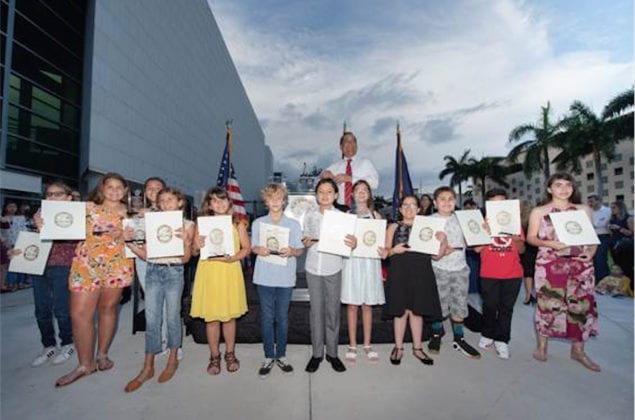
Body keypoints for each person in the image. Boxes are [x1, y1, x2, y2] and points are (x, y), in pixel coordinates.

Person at [55, 173, 135, 387]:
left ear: (125, 190)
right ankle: (84, 365)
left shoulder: (132, 213)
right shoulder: (86, 208)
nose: (115, 190)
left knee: (108, 309)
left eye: (120, 187)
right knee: (79, 314)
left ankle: (102, 354)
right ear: (102, 189)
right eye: (110, 186)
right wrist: (42, 220)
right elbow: (60, 220)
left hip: (117, 265)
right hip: (87, 264)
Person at [527, 172, 600, 372]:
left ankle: (578, 350)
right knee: (547, 304)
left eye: (568, 184)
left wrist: (591, 253)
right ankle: (542, 347)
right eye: (558, 185)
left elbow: (591, 236)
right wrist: (548, 243)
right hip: (549, 264)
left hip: (580, 265)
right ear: (550, 189)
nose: (564, 189)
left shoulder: (583, 209)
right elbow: (531, 238)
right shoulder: (539, 211)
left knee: (581, 307)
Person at [124, 187, 194, 392]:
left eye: (170, 200)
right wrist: (129, 242)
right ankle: (148, 366)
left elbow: (186, 258)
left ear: (180, 202)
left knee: (172, 316)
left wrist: (186, 241)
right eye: (162, 201)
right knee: (152, 319)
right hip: (153, 270)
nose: (165, 204)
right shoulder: (151, 224)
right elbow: (146, 254)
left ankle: (173, 358)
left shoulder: (188, 225)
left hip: (174, 272)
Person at [9, 181, 76, 366]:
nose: (53, 197)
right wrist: (17, 252)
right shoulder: (39, 213)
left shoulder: (74, 216)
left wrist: (44, 227)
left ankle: (67, 342)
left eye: (58, 194)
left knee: (62, 309)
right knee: (41, 309)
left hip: (61, 265)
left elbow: (72, 238)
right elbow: (29, 239)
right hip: (37, 264)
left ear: (69, 197)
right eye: (50, 194)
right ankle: (48, 345)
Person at [190, 187, 251, 375]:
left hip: (229, 271)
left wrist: (233, 258)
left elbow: (247, 248)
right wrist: (196, 244)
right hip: (208, 273)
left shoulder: (238, 223)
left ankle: (230, 353)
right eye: (214, 200)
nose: (219, 203)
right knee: (212, 318)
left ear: (229, 203)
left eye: (223, 200)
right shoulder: (201, 224)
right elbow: (193, 252)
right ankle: (214, 356)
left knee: (229, 317)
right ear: (208, 204)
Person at [381, 194, 443, 366]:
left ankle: (417, 348)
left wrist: (442, 241)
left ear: (418, 209)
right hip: (399, 272)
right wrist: (394, 250)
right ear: (400, 209)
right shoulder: (393, 227)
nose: (409, 208)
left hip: (421, 272)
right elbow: (385, 253)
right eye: (405, 205)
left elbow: (437, 256)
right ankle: (398, 347)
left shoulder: (428, 228)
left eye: (412, 205)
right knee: (400, 312)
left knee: (417, 311)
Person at [303, 178, 356, 373]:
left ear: (335, 195)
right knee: (316, 311)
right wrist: (306, 241)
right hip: (312, 268)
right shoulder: (309, 215)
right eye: (321, 192)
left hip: (333, 268)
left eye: (328, 192)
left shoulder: (342, 217)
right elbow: (305, 238)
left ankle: (332, 353)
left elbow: (349, 242)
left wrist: (353, 242)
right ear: (316, 195)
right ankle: (317, 354)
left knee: (333, 311)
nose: (324, 195)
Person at [251, 183, 304, 378]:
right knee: (266, 318)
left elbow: (299, 250)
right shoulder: (258, 223)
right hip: (264, 277)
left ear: (284, 200)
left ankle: (281, 355)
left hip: (285, 278)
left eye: (278, 197)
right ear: (266, 201)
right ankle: (268, 356)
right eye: (271, 198)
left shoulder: (293, 225)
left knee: (281, 318)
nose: (275, 201)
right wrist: (258, 249)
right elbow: (253, 247)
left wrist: (292, 251)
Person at [427, 186, 481, 359]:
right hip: (438, 269)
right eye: (442, 199)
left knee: (459, 304)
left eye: (450, 198)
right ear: (435, 202)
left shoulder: (462, 219)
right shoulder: (429, 221)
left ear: (455, 201)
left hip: (460, 269)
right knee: (437, 304)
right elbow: (427, 248)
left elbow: (472, 242)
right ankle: (437, 334)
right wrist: (442, 248)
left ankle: (459, 338)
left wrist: (482, 230)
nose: (446, 202)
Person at [474, 188, 525, 359]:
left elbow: (522, 249)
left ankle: (502, 340)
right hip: (489, 273)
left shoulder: (514, 223)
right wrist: (486, 233)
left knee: (506, 309)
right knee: (489, 306)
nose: (498, 206)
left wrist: (516, 238)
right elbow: (476, 249)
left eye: (502, 203)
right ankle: (487, 334)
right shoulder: (481, 223)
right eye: (494, 203)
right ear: (488, 206)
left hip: (513, 273)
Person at [341, 180, 385, 364]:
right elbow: (339, 241)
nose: (360, 193)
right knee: (352, 306)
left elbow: (381, 243)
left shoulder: (376, 216)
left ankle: (367, 344)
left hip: (370, 264)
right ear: (351, 194)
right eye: (357, 190)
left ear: (369, 194)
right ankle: (352, 345)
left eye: (364, 190)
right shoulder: (346, 215)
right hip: (351, 263)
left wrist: (384, 250)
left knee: (367, 305)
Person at [320, 131, 379, 208]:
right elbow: (318, 180)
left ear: (356, 146)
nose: (350, 144)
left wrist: (350, 179)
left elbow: (375, 183)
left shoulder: (365, 163)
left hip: (361, 208)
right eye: (346, 141)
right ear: (341, 147)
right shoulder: (335, 166)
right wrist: (323, 175)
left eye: (352, 141)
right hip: (340, 209)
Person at [1, 202, 28, 291]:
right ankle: (10, 283)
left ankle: (21, 282)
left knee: (20, 263)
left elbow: (24, 229)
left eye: (14, 206)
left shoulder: (20, 218)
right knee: (9, 265)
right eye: (10, 206)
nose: (12, 208)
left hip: (19, 241)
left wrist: (25, 240)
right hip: (7, 243)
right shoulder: (3, 218)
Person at [608, 201, 634, 286]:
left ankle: (631, 286)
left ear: (620, 208)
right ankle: (621, 287)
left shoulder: (629, 218)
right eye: (611, 207)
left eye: (614, 207)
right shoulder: (612, 219)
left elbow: (631, 233)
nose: (612, 210)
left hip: (626, 247)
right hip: (614, 246)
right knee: (617, 267)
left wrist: (619, 228)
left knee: (627, 267)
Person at [587, 195, 611, 282]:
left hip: (603, 237)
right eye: (589, 202)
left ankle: (603, 280)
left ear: (598, 201)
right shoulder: (589, 211)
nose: (590, 204)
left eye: (591, 201)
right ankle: (596, 279)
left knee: (600, 259)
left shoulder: (607, 211)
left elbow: (602, 224)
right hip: (591, 237)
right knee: (593, 259)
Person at [520, 200, 537, 305]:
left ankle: (528, 295)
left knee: (528, 273)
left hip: (525, 249)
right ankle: (538, 294)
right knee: (537, 272)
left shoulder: (519, 220)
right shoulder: (536, 219)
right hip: (536, 247)